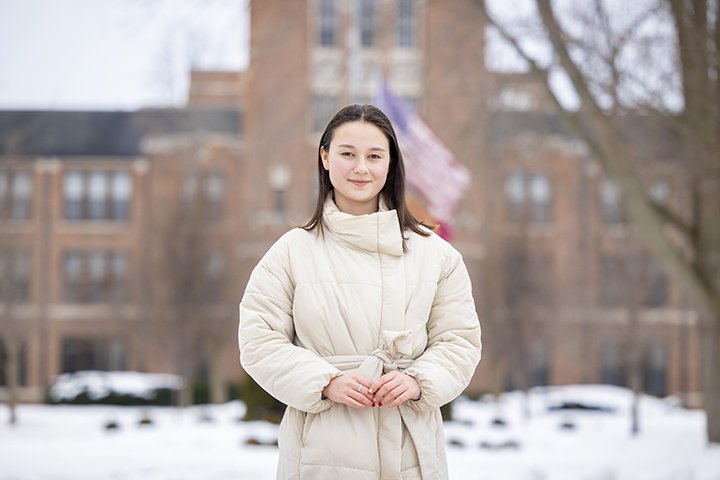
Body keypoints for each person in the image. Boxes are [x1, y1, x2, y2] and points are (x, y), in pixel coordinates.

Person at [238, 104, 482, 480]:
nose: (360, 168)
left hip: (411, 451)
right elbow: (258, 341)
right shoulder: (291, 252)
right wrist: (326, 382)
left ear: (391, 163)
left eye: (374, 156)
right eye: (347, 154)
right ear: (325, 157)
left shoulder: (437, 255)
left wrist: (418, 380)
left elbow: (460, 341)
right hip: (321, 451)